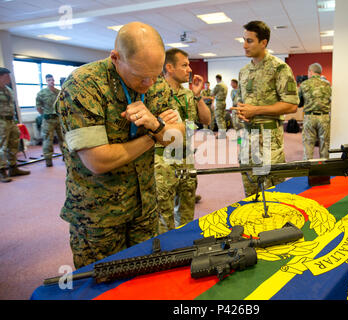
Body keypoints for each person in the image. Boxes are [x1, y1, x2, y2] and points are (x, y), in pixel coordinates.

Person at [56, 22, 185, 269]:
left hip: (145, 206)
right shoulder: (84, 85)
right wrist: (153, 134)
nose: (149, 83)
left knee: (143, 276)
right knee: (102, 285)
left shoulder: (157, 84)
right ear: (115, 58)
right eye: (140, 75)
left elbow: (177, 139)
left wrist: (157, 127)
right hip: (99, 214)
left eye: (155, 74)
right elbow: (98, 161)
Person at [231, 21, 299, 197]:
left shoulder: (279, 68)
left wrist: (256, 110)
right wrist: (241, 112)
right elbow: (241, 101)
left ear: (263, 42)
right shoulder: (244, 71)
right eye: (243, 40)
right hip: (247, 138)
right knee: (251, 190)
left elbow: (291, 105)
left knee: (272, 193)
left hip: (268, 140)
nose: (245, 45)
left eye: (250, 41)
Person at [155, 48, 211, 233]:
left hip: (186, 158)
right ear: (169, 67)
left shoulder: (187, 94)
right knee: (164, 213)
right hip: (164, 160)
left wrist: (197, 95)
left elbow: (206, 120)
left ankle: (183, 244)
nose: (189, 70)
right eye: (184, 65)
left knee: (187, 208)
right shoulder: (155, 93)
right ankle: (166, 254)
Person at [0, 67, 30, 183]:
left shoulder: (8, 90)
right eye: (7, 76)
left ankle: (13, 168)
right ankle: (1, 171)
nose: (9, 78)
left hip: (11, 121)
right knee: (0, 147)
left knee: (14, 144)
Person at [298, 63, 332, 160]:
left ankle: (308, 170)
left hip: (309, 117)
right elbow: (330, 99)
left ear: (310, 72)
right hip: (324, 117)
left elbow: (299, 103)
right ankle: (324, 170)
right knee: (325, 145)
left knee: (308, 144)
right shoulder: (327, 84)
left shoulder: (304, 84)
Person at [36, 74, 63, 167]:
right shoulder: (42, 93)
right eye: (49, 80)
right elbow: (38, 107)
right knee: (48, 140)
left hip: (58, 118)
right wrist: (45, 114)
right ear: (46, 81)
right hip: (48, 119)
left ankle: (66, 156)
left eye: (52, 80)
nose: (51, 81)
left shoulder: (59, 92)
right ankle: (48, 160)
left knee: (63, 138)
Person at [212, 74, 228, 138]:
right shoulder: (225, 85)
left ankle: (222, 135)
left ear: (217, 79)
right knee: (222, 119)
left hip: (219, 103)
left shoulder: (219, 85)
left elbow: (212, 93)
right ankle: (224, 134)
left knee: (219, 119)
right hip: (224, 102)